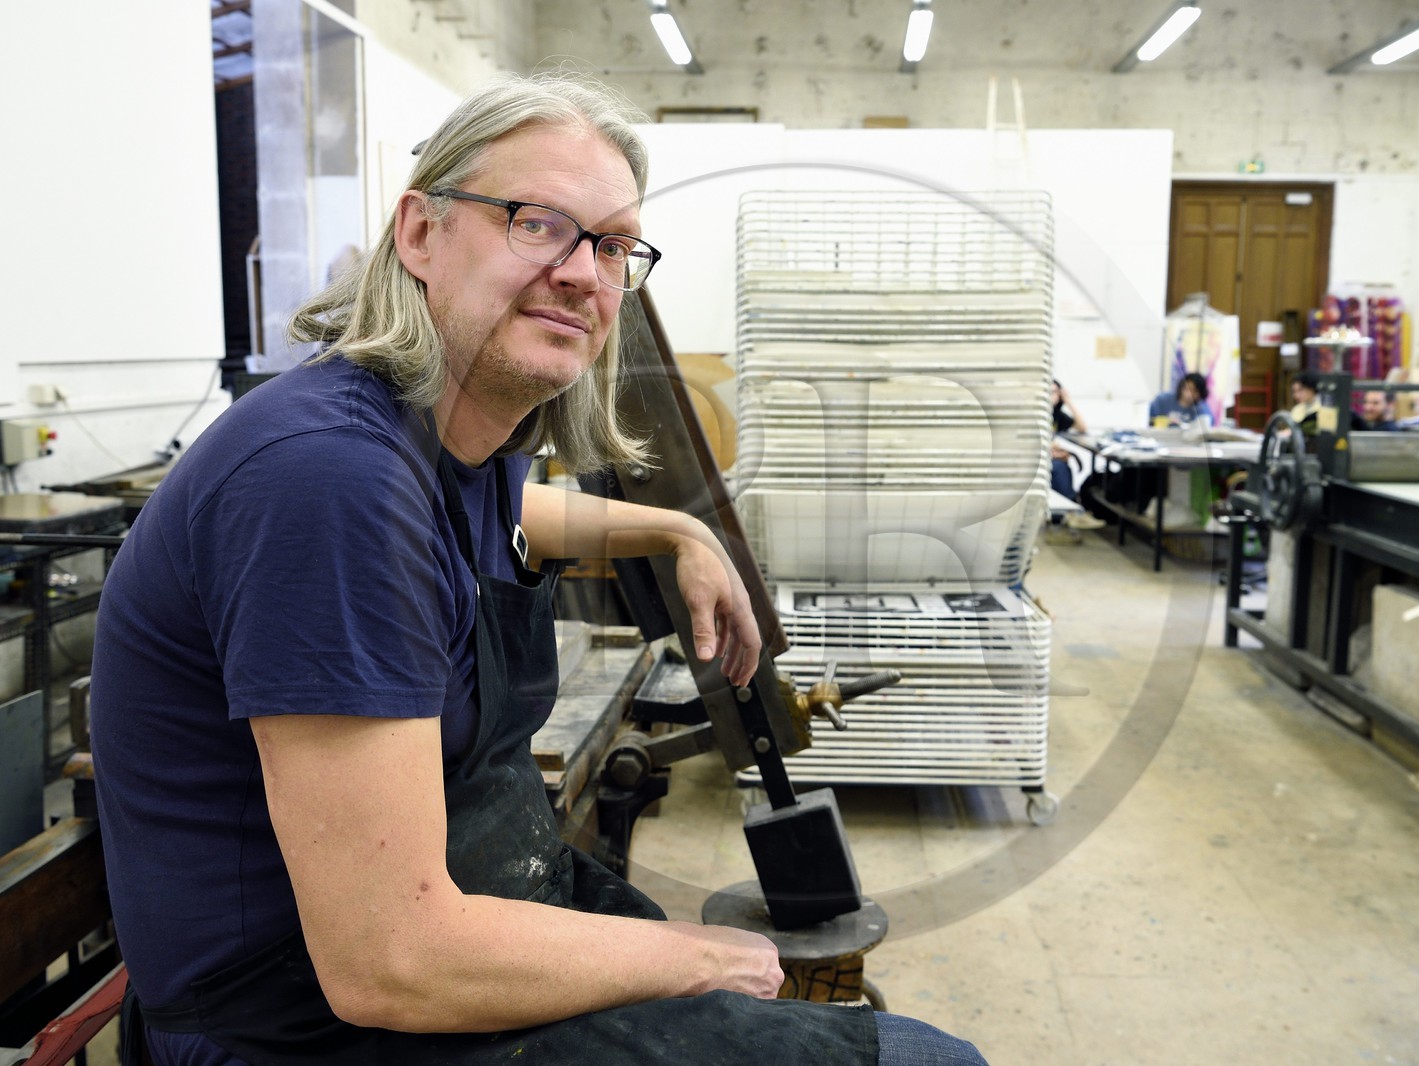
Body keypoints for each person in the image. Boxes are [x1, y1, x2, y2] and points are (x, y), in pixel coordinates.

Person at [91, 73, 984, 1066]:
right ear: (420, 234)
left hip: (425, 947)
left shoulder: (438, 444)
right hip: (301, 1026)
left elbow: (515, 510)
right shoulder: (326, 478)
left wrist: (675, 535)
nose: (582, 273)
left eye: (610, 246)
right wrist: (688, 956)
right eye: (538, 223)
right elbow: (390, 958)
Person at [1047, 380, 1104, 530]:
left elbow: (1082, 427)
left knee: (1063, 465)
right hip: (1035, 460)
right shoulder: (1035, 414)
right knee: (1060, 468)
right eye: (1048, 391)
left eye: (1055, 392)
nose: (1051, 396)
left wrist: (1068, 401)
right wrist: (1051, 454)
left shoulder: (1057, 415)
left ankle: (1067, 513)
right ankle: (1071, 512)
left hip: (1047, 459)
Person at [1148, 371, 1213, 428]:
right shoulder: (1162, 400)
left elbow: (1206, 427)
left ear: (1200, 394)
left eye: (1195, 391)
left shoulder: (1201, 407)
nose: (1190, 394)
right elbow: (1147, 419)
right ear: (1181, 387)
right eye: (1188, 389)